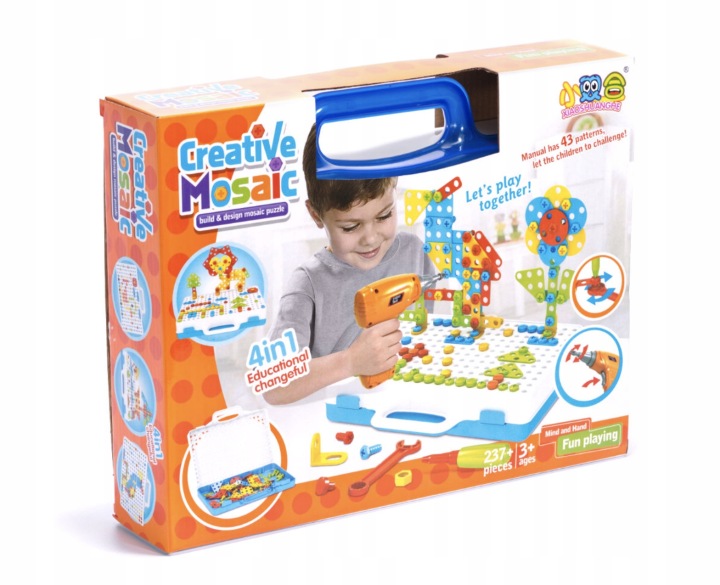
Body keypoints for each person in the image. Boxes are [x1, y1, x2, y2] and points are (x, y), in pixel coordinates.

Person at [263, 125, 435, 405]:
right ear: (316, 215)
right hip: (336, 418)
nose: (371, 238)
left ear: (394, 186)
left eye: (384, 215)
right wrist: (351, 361)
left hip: (406, 402)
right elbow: (274, 385)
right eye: (351, 226)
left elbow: (429, 332)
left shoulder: (414, 250)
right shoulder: (307, 284)